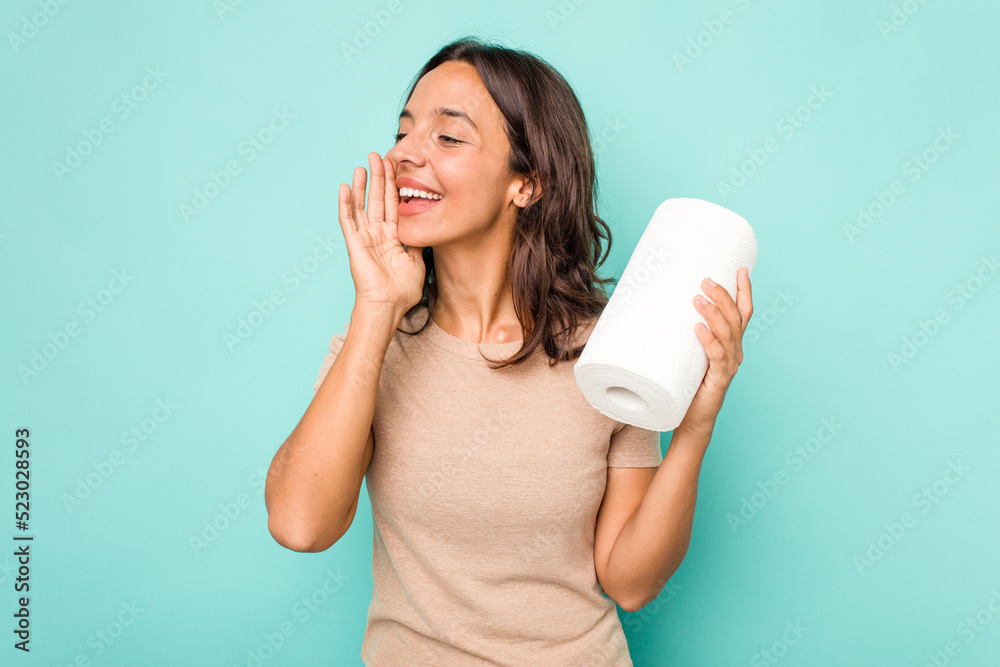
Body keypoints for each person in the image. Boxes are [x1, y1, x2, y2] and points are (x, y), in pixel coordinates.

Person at [264, 36, 753, 666]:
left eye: (448, 137)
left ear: (526, 183)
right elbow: (300, 525)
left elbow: (630, 582)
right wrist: (377, 308)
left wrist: (695, 426)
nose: (405, 154)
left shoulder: (605, 352)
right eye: (404, 130)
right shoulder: (374, 347)